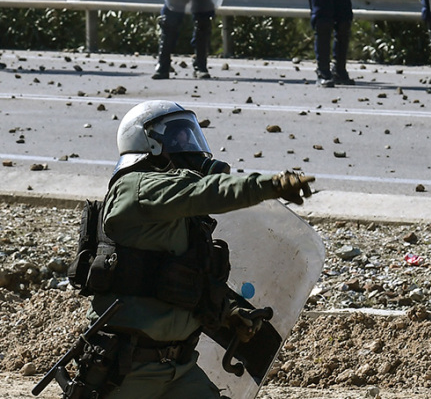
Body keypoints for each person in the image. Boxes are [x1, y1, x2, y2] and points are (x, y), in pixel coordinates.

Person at [61, 100, 315, 398]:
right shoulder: (136, 188)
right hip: (125, 370)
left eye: (190, 134)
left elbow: (180, 281)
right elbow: (203, 191)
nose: (188, 144)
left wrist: (229, 313)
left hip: (180, 369)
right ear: (149, 144)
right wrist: (269, 186)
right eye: (177, 137)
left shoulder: (182, 213)